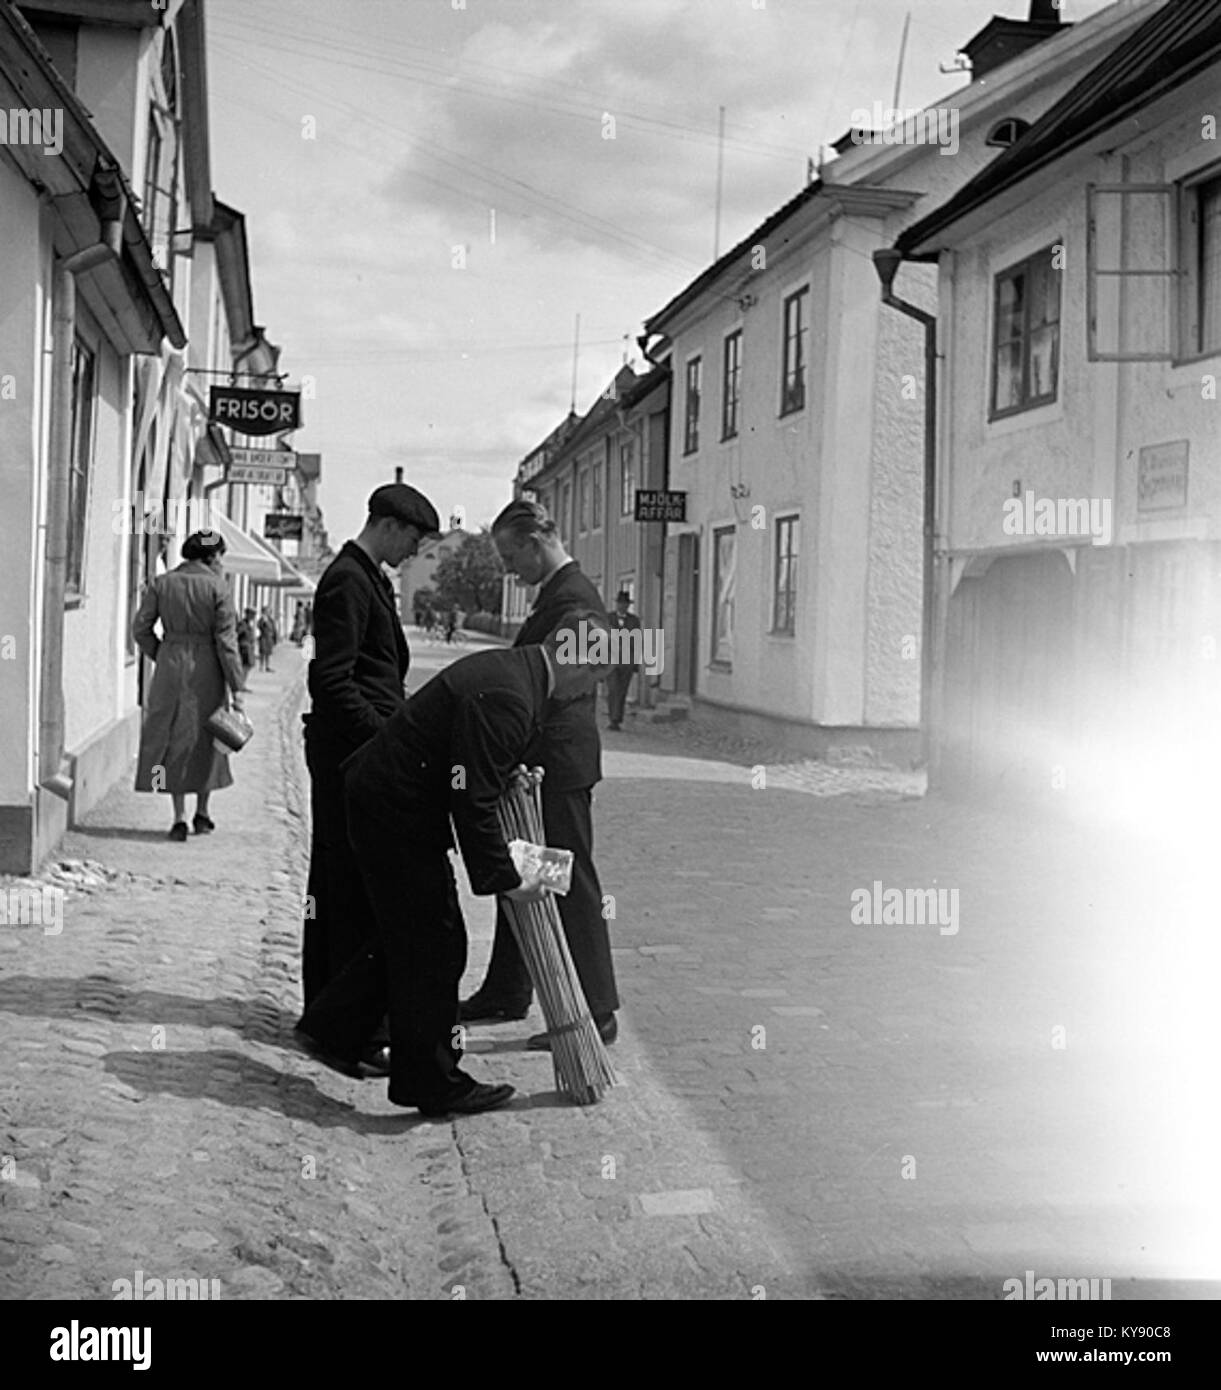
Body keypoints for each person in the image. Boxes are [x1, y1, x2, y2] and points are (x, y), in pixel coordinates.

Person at [296, 627, 610, 1116]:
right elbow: (474, 801)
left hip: (385, 799)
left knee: (408, 934)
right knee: (437, 943)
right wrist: (510, 879)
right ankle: (432, 1081)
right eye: (594, 679)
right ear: (577, 663)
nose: (586, 693)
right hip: (392, 809)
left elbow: (475, 772)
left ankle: (333, 1030)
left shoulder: (517, 674)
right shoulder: (512, 696)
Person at [459, 498, 620, 1049]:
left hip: (559, 762)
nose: (508, 568)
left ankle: (598, 1010)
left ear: (536, 542)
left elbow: (572, 676)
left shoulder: (576, 599)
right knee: (526, 871)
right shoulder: (556, 595)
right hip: (540, 760)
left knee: (567, 880)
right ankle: (508, 989)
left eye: (511, 554)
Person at [300, 481, 442, 1049]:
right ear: (387, 524)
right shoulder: (347, 582)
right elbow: (331, 682)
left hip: (355, 752)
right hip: (347, 756)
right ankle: (338, 1023)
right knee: (347, 886)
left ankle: (335, 1012)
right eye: (412, 538)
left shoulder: (367, 578)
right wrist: (388, 740)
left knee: (345, 884)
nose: (413, 552)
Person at [132, 530, 248, 841]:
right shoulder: (218, 587)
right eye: (220, 555)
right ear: (211, 556)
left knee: (173, 737)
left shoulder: (162, 583)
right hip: (207, 667)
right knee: (209, 738)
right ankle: (203, 812)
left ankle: (179, 816)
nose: (221, 561)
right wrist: (237, 685)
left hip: (171, 663)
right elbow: (227, 642)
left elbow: (140, 628)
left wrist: (162, 652)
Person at [605, 590, 642, 731]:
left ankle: (618, 718)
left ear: (628, 605)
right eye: (620, 604)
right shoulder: (608, 619)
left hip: (627, 662)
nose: (622, 606)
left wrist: (636, 664)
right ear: (617, 604)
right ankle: (613, 719)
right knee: (613, 689)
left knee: (622, 691)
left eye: (625, 604)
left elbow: (637, 642)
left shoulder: (634, 621)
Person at [236, 607, 256, 676]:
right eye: (252, 614)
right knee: (244, 667)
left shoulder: (248, 623)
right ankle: (241, 684)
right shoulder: (243, 623)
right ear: (247, 614)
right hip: (244, 649)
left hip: (249, 648)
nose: (254, 616)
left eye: (254, 614)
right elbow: (237, 633)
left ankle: (242, 684)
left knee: (248, 667)